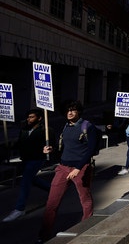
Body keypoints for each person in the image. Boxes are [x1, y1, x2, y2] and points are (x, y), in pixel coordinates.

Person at [39, 100, 99, 241]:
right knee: (51, 203)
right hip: (63, 168)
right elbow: (64, 148)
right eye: (67, 111)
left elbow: (90, 150)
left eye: (73, 110)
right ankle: (43, 236)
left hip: (81, 168)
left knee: (85, 199)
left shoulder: (87, 126)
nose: (70, 113)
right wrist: (51, 150)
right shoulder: (65, 127)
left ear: (78, 111)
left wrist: (78, 168)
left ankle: (86, 227)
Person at [2, 109, 50, 222]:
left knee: (25, 181)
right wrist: (10, 146)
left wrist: (48, 149)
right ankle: (54, 191)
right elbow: (20, 143)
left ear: (39, 118)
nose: (29, 119)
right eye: (28, 117)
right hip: (26, 159)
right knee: (32, 179)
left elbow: (51, 143)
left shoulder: (45, 130)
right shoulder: (24, 130)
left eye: (32, 117)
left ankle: (19, 209)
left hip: (37, 159)